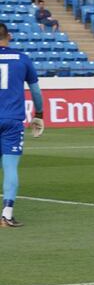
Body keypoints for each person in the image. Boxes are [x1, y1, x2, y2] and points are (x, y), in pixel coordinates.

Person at [0, 22, 45, 228]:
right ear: (9, 36)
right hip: (12, 120)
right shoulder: (22, 58)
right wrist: (39, 113)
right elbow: (35, 91)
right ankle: (6, 214)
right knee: (10, 167)